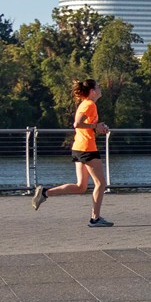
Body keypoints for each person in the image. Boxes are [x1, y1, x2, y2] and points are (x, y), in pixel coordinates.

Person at [31, 78, 113, 226]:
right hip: (87, 148)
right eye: (99, 87)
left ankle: (44, 193)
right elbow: (77, 124)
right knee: (101, 183)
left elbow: (84, 126)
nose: (101, 89)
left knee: (81, 186)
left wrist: (97, 127)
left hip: (78, 147)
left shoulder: (84, 104)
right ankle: (95, 218)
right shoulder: (90, 104)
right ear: (93, 91)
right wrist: (95, 125)